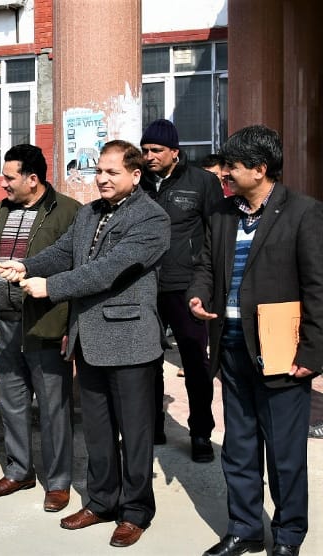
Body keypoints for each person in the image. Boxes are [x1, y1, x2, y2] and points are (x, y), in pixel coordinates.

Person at [0, 140, 169, 547]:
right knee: (97, 431)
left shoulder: (152, 218)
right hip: (88, 339)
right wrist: (26, 264)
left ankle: (135, 511)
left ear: (135, 174)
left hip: (130, 342)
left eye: (112, 172)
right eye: (99, 171)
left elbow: (108, 270)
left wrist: (49, 288)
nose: (102, 179)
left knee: (135, 432)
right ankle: (102, 501)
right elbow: (62, 252)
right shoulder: (89, 212)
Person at [188, 125, 322, 556]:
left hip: (281, 351)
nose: (223, 174)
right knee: (239, 448)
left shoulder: (304, 213)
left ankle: (287, 537)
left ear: (260, 170)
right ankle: (244, 529)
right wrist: (198, 293)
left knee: (285, 454)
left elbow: (318, 287)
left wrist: (313, 352)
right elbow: (206, 265)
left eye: (232, 167)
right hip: (231, 346)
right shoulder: (223, 214)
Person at [0, 144, 80, 513]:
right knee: (12, 402)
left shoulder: (69, 212)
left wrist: (71, 324)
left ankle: (57, 482)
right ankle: (19, 469)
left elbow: (75, 272)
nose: (3, 183)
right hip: (6, 323)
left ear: (33, 179)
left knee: (54, 406)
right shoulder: (2, 210)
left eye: (9, 177)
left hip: (46, 324)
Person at [139, 118, 223, 462]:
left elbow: (217, 234)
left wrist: (211, 284)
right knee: (147, 361)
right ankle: (153, 425)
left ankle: (201, 432)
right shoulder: (138, 183)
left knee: (195, 362)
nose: (149, 156)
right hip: (145, 285)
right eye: (145, 150)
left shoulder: (202, 183)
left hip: (186, 286)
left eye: (156, 150)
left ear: (175, 151)